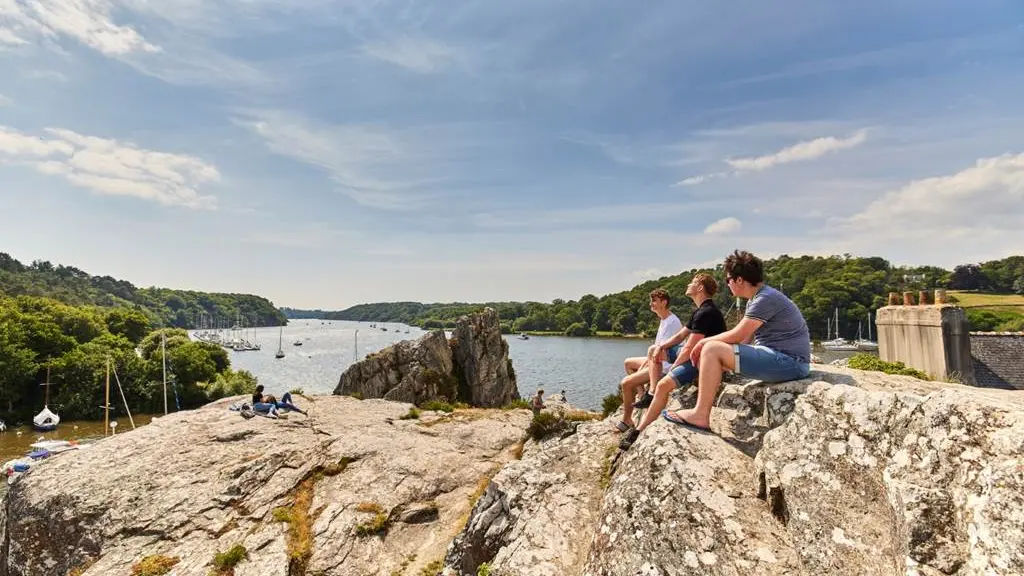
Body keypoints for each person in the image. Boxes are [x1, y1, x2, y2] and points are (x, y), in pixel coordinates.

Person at [664, 250, 811, 431]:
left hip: (791, 362)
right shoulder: (757, 299)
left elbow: (738, 335)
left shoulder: (765, 298)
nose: (728, 284)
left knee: (711, 348)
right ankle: (701, 409)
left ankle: (700, 415)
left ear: (739, 280)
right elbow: (746, 340)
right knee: (712, 351)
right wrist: (719, 361)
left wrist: (703, 344)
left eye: (728, 280)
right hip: (782, 359)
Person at [620, 273, 726, 449]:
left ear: (700, 288)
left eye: (692, 282)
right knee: (653, 350)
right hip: (695, 355)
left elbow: (689, 348)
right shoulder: (699, 310)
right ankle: (650, 393)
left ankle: (638, 430)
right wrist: (661, 347)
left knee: (664, 386)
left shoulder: (706, 312)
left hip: (702, 362)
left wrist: (673, 369)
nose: (688, 284)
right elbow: (680, 336)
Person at [614, 288, 682, 432]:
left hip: (663, 366)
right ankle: (641, 394)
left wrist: (645, 367)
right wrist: (646, 364)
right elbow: (655, 349)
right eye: (651, 301)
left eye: (654, 301)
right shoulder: (664, 319)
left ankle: (627, 420)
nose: (651, 304)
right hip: (657, 358)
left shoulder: (672, 322)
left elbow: (661, 352)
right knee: (628, 363)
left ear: (664, 302)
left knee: (626, 383)